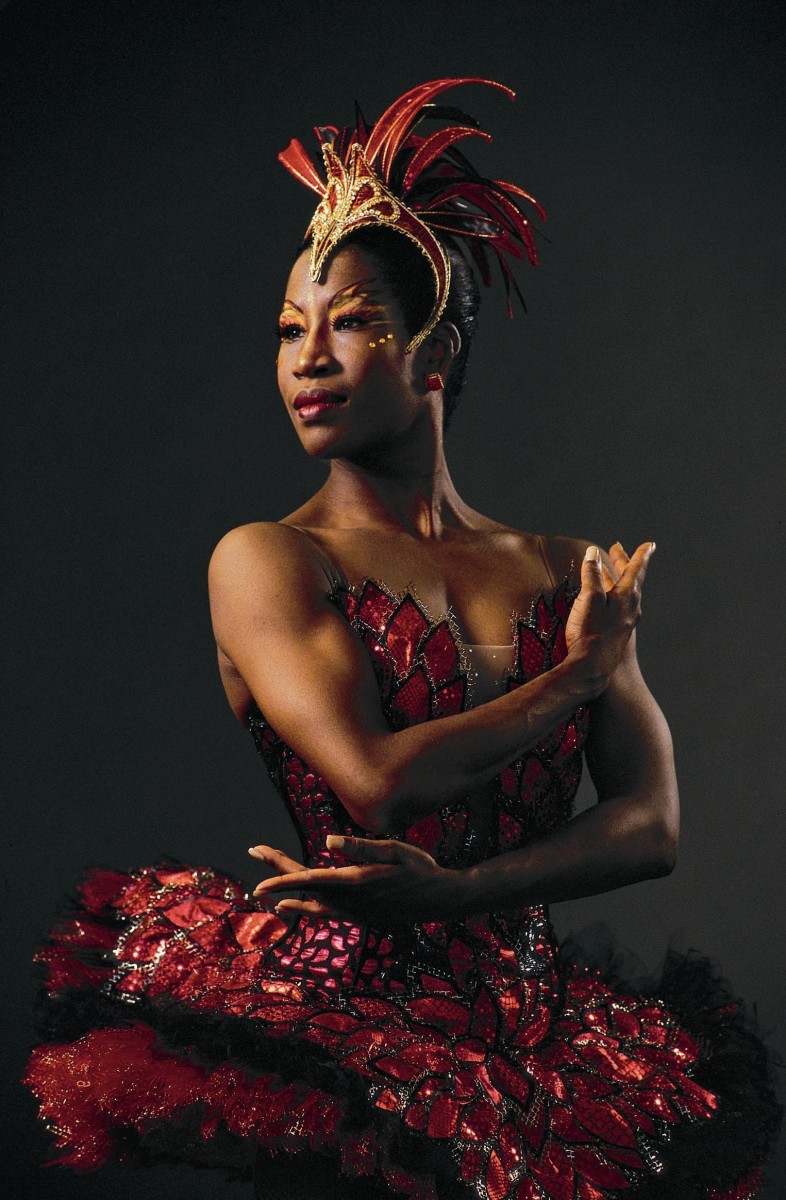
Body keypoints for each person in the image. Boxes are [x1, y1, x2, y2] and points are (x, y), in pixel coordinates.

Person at [25, 78, 780, 1200]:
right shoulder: (269, 560)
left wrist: (463, 895)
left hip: (543, 1031)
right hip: (347, 1030)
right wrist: (577, 675)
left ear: (436, 354)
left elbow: (651, 824)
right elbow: (377, 788)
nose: (308, 356)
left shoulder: (565, 568)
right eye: (290, 329)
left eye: (352, 321)